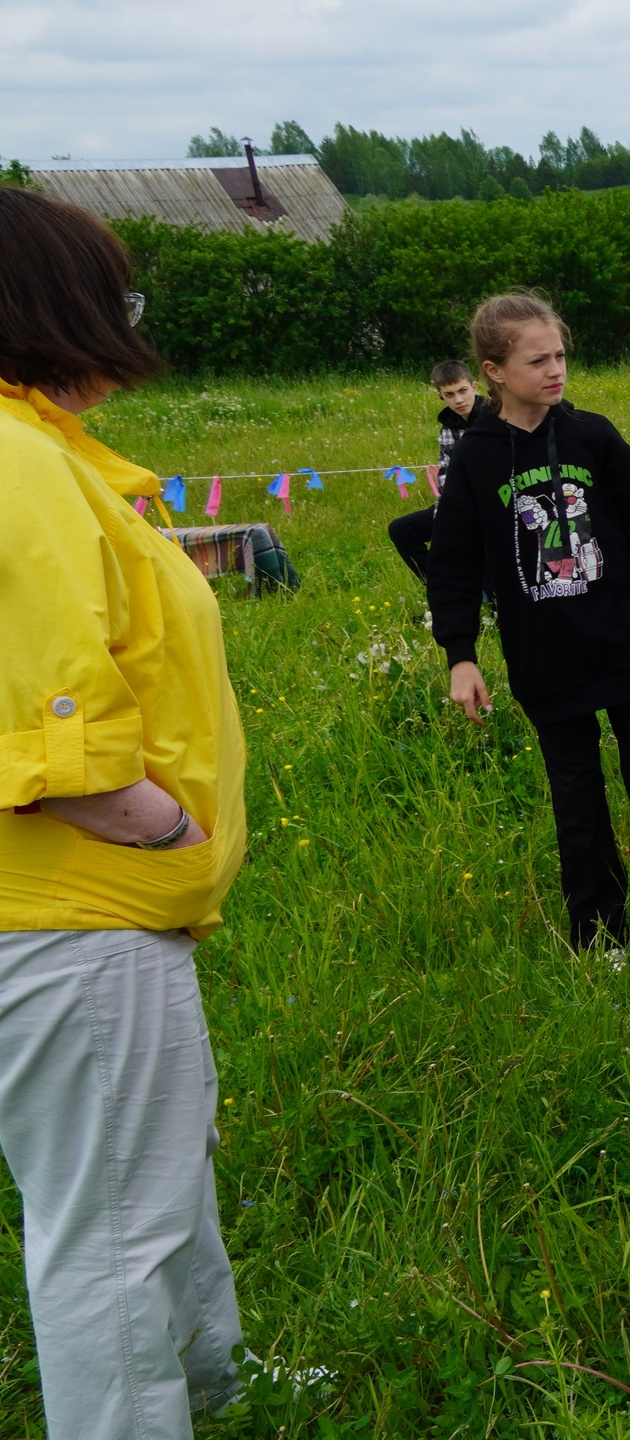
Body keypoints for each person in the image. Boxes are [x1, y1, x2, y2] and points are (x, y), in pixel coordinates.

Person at [0, 185, 248, 1438]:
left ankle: (217, 1381)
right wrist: (167, 834)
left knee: (161, 1186)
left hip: (89, 912)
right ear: (51, 307)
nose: (128, 319)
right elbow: (60, 722)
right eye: (115, 292)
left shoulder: (37, 453)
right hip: (73, 913)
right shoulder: (16, 461)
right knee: (111, 1231)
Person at [429, 291, 630, 955]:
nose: (556, 370)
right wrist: (461, 654)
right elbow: (453, 563)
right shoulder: (476, 459)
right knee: (577, 801)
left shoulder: (593, 435)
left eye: (560, 355)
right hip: (547, 660)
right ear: (494, 370)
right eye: (538, 360)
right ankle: (598, 929)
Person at [386, 361, 486, 590]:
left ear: (474, 387)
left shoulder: (496, 417)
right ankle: (443, 589)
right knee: (402, 529)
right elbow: (446, 475)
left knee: (481, 543)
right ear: (441, 397)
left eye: (462, 391)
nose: (458, 400)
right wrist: (448, 513)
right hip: (458, 506)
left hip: (492, 507)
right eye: (449, 395)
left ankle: (490, 599)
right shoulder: (448, 426)